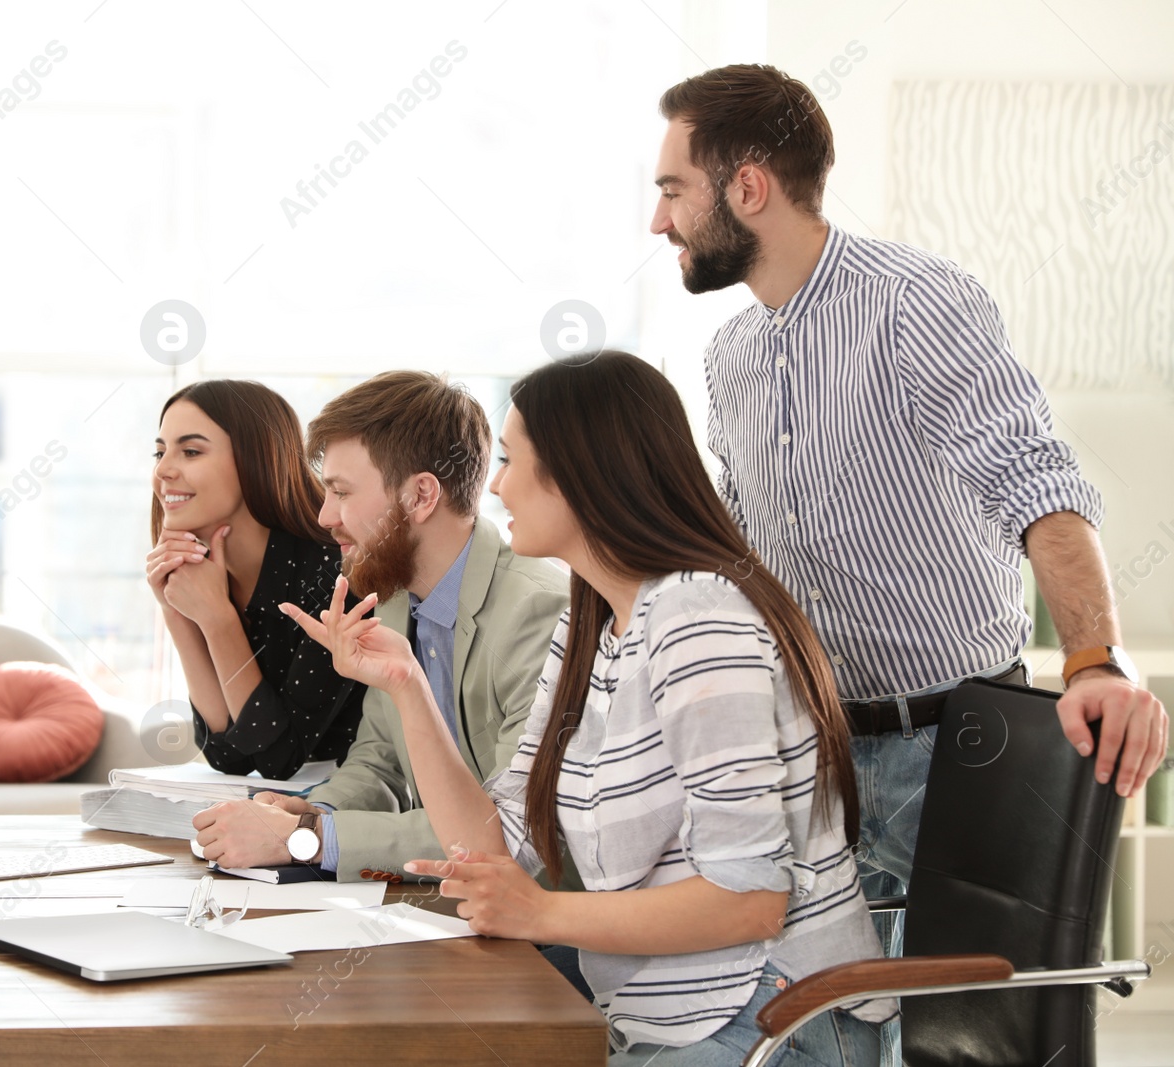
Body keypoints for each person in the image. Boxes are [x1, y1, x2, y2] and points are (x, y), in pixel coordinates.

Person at [649, 64, 1169, 1063]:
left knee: (976, 1040)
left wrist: (1097, 655)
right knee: (821, 1034)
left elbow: (1037, 484)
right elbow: (749, 555)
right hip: (818, 751)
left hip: (958, 746)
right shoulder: (728, 358)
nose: (658, 221)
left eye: (673, 189)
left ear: (745, 187)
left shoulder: (916, 304)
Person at [286, 352, 890, 1065]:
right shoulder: (592, 622)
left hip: (773, 1016)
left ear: (581, 475)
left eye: (513, 460)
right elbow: (496, 839)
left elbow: (751, 898)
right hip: (662, 1019)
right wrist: (408, 686)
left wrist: (540, 911)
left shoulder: (698, 617)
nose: (497, 484)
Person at [192, 371, 568, 887]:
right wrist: (308, 812)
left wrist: (305, 841)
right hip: (456, 912)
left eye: (341, 492)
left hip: (540, 933)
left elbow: (502, 837)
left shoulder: (539, 612)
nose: (325, 517)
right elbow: (380, 761)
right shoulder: (391, 601)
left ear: (420, 497)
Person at [147, 379, 364, 779]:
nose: (163, 470)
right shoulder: (206, 576)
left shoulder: (333, 574)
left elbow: (279, 760)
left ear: (255, 460)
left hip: (349, 812)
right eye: (160, 452)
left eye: (190, 451)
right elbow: (226, 755)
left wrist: (217, 619)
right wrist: (174, 609)